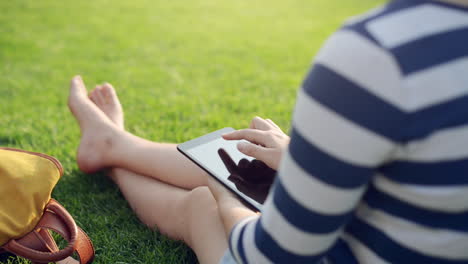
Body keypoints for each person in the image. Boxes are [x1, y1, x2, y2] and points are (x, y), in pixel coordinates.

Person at [68, 0, 468, 263]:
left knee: (205, 206)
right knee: (258, 162)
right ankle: (114, 145)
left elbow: (270, 257)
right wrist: (306, 161)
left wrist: (225, 194)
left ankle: (113, 158)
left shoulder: (380, 52)